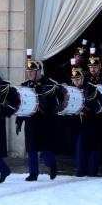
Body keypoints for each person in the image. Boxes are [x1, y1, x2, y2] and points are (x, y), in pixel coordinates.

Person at [16, 50, 62, 181]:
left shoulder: (49, 84)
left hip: (46, 121)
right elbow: (22, 105)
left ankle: (52, 166)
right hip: (31, 122)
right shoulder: (25, 86)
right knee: (31, 148)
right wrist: (19, 121)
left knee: (46, 149)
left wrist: (50, 102)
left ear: (39, 71)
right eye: (28, 72)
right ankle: (33, 173)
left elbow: (60, 98)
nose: (29, 74)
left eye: (32, 71)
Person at [71, 65, 102, 177]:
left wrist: (90, 110)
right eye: (74, 80)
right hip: (78, 123)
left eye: (77, 79)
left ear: (82, 78)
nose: (75, 82)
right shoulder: (72, 90)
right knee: (80, 146)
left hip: (91, 121)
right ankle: (81, 169)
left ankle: (92, 169)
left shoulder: (90, 87)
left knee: (92, 146)